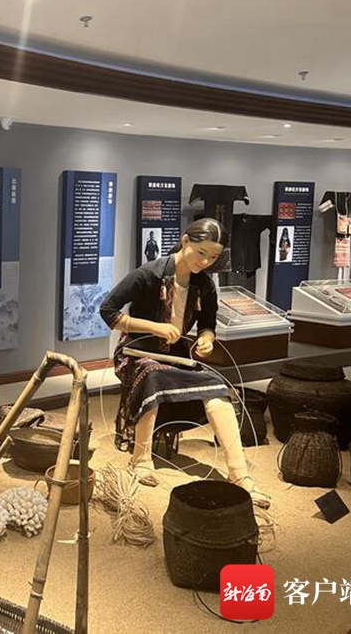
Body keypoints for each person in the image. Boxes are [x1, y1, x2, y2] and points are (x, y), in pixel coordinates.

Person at [100, 217, 269, 508]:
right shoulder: (149, 274)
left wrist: (207, 339)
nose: (205, 262)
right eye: (201, 253)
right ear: (185, 241)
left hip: (177, 355)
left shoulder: (204, 285)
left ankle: (239, 474)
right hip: (136, 353)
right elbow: (109, 311)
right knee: (152, 374)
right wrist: (154, 328)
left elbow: (208, 324)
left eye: (213, 257)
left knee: (217, 385)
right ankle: (141, 459)